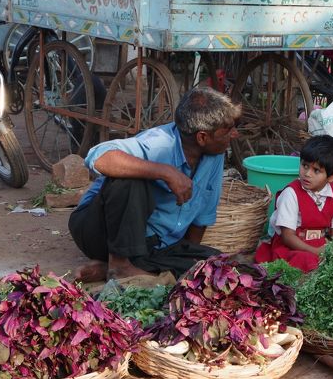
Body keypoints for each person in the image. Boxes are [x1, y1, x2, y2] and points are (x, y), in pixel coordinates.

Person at [68, 87, 241, 282]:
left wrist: (186, 257)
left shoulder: (214, 155)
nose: (234, 135)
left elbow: (201, 219)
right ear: (202, 137)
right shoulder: (159, 144)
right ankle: (120, 264)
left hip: (152, 242)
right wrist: (165, 172)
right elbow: (98, 157)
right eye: (227, 131)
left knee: (219, 268)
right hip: (100, 230)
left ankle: (110, 268)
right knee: (129, 179)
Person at [254, 135, 333, 272]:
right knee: (307, 261)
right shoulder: (291, 193)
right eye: (305, 166)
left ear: (332, 177)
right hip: (292, 246)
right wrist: (316, 251)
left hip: (320, 243)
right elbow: (287, 237)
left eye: (316, 170)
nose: (307, 174)